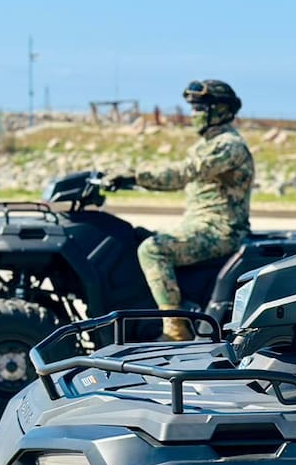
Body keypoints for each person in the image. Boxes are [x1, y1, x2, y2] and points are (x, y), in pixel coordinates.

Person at [107, 79, 255, 341]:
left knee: (153, 249)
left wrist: (134, 176)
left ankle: (175, 330)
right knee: (135, 239)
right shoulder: (205, 145)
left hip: (220, 230)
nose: (193, 115)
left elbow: (183, 174)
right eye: (193, 109)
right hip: (199, 225)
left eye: (199, 109)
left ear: (219, 110)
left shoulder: (228, 145)